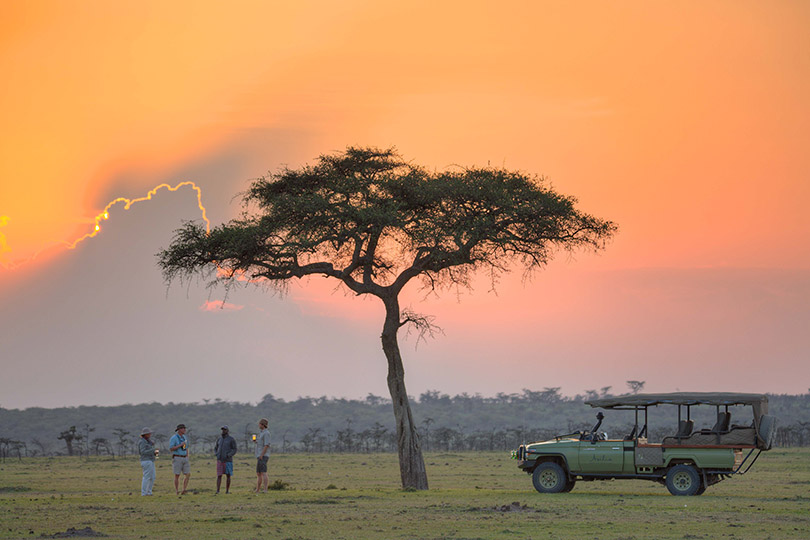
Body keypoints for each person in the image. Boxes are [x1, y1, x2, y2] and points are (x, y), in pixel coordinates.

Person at [214, 425, 238, 494]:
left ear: (227, 431)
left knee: (228, 475)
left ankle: (227, 490)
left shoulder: (231, 439)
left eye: (224, 430)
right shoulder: (219, 439)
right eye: (222, 430)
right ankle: (218, 490)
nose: (223, 431)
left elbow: (234, 449)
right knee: (219, 475)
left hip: (228, 460)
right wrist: (216, 454)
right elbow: (216, 447)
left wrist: (229, 455)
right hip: (219, 460)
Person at [169, 423, 191, 495]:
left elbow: (186, 447)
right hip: (177, 457)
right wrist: (179, 445)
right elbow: (171, 448)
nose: (184, 430)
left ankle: (184, 489)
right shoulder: (174, 438)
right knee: (177, 475)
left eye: (184, 428)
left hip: (184, 457)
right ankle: (177, 490)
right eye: (182, 428)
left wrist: (187, 456)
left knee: (187, 474)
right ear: (179, 430)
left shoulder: (184, 437)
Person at [138, 427, 158, 496]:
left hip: (151, 460)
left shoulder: (148, 441)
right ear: (145, 434)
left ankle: (149, 492)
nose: (150, 434)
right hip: (146, 460)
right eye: (149, 433)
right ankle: (144, 493)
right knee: (146, 477)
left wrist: (155, 453)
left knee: (152, 477)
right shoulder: (142, 442)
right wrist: (152, 450)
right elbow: (142, 452)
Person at [254, 418, 271, 493]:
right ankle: (257, 489)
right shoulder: (261, 433)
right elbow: (261, 443)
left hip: (263, 455)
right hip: (259, 455)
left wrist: (262, 454)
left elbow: (266, 445)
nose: (259, 425)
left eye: (260, 424)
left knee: (264, 472)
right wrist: (255, 441)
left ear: (262, 425)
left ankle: (265, 489)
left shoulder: (266, 433)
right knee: (258, 473)